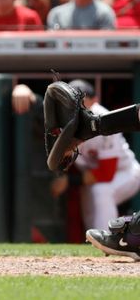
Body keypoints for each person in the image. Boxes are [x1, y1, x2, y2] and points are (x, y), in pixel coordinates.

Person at [48, 80, 140, 232]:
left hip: (126, 173)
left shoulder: (104, 119)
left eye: (81, 101)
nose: (75, 106)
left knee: (101, 191)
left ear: (94, 100)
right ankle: (95, 249)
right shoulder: (63, 119)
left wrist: (69, 181)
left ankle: (109, 236)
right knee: (90, 217)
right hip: (91, 177)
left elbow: (107, 172)